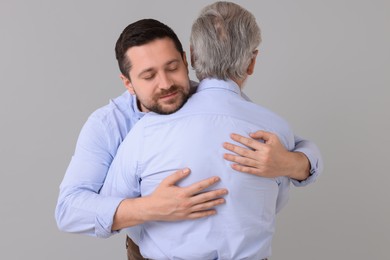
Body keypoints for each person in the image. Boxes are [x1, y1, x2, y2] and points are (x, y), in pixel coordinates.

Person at [55, 12, 322, 260]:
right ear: (128, 83)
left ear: (187, 60)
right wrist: (152, 207)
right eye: (148, 76)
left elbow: (288, 143)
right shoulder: (109, 124)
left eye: (172, 67)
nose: (166, 84)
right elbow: (69, 211)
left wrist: (290, 164)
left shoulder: (217, 99)